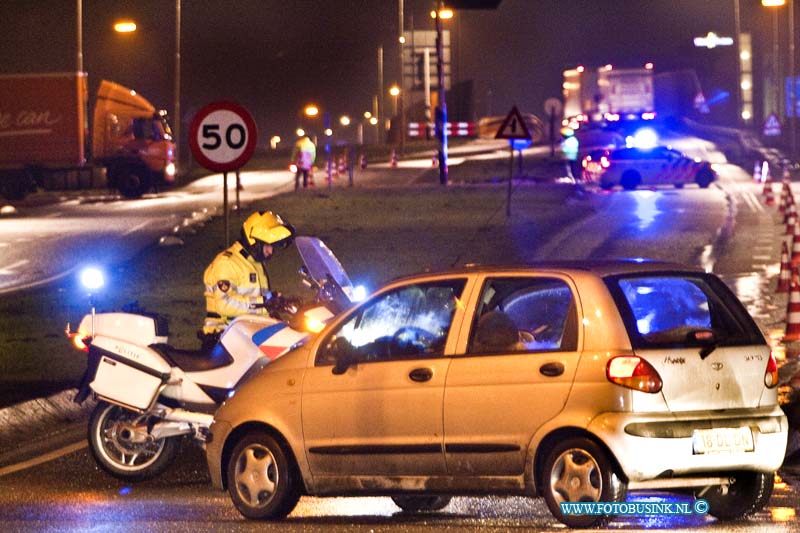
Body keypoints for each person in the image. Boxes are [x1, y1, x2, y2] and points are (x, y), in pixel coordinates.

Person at [201, 211, 295, 341]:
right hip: (222, 338)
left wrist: (280, 303)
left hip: (246, 335)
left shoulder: (253, 263)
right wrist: (264, 303)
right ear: (254, 241)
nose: (270, 251)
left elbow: (259, 303)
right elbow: (224, 303)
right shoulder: (227, 263)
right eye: (267, 245)